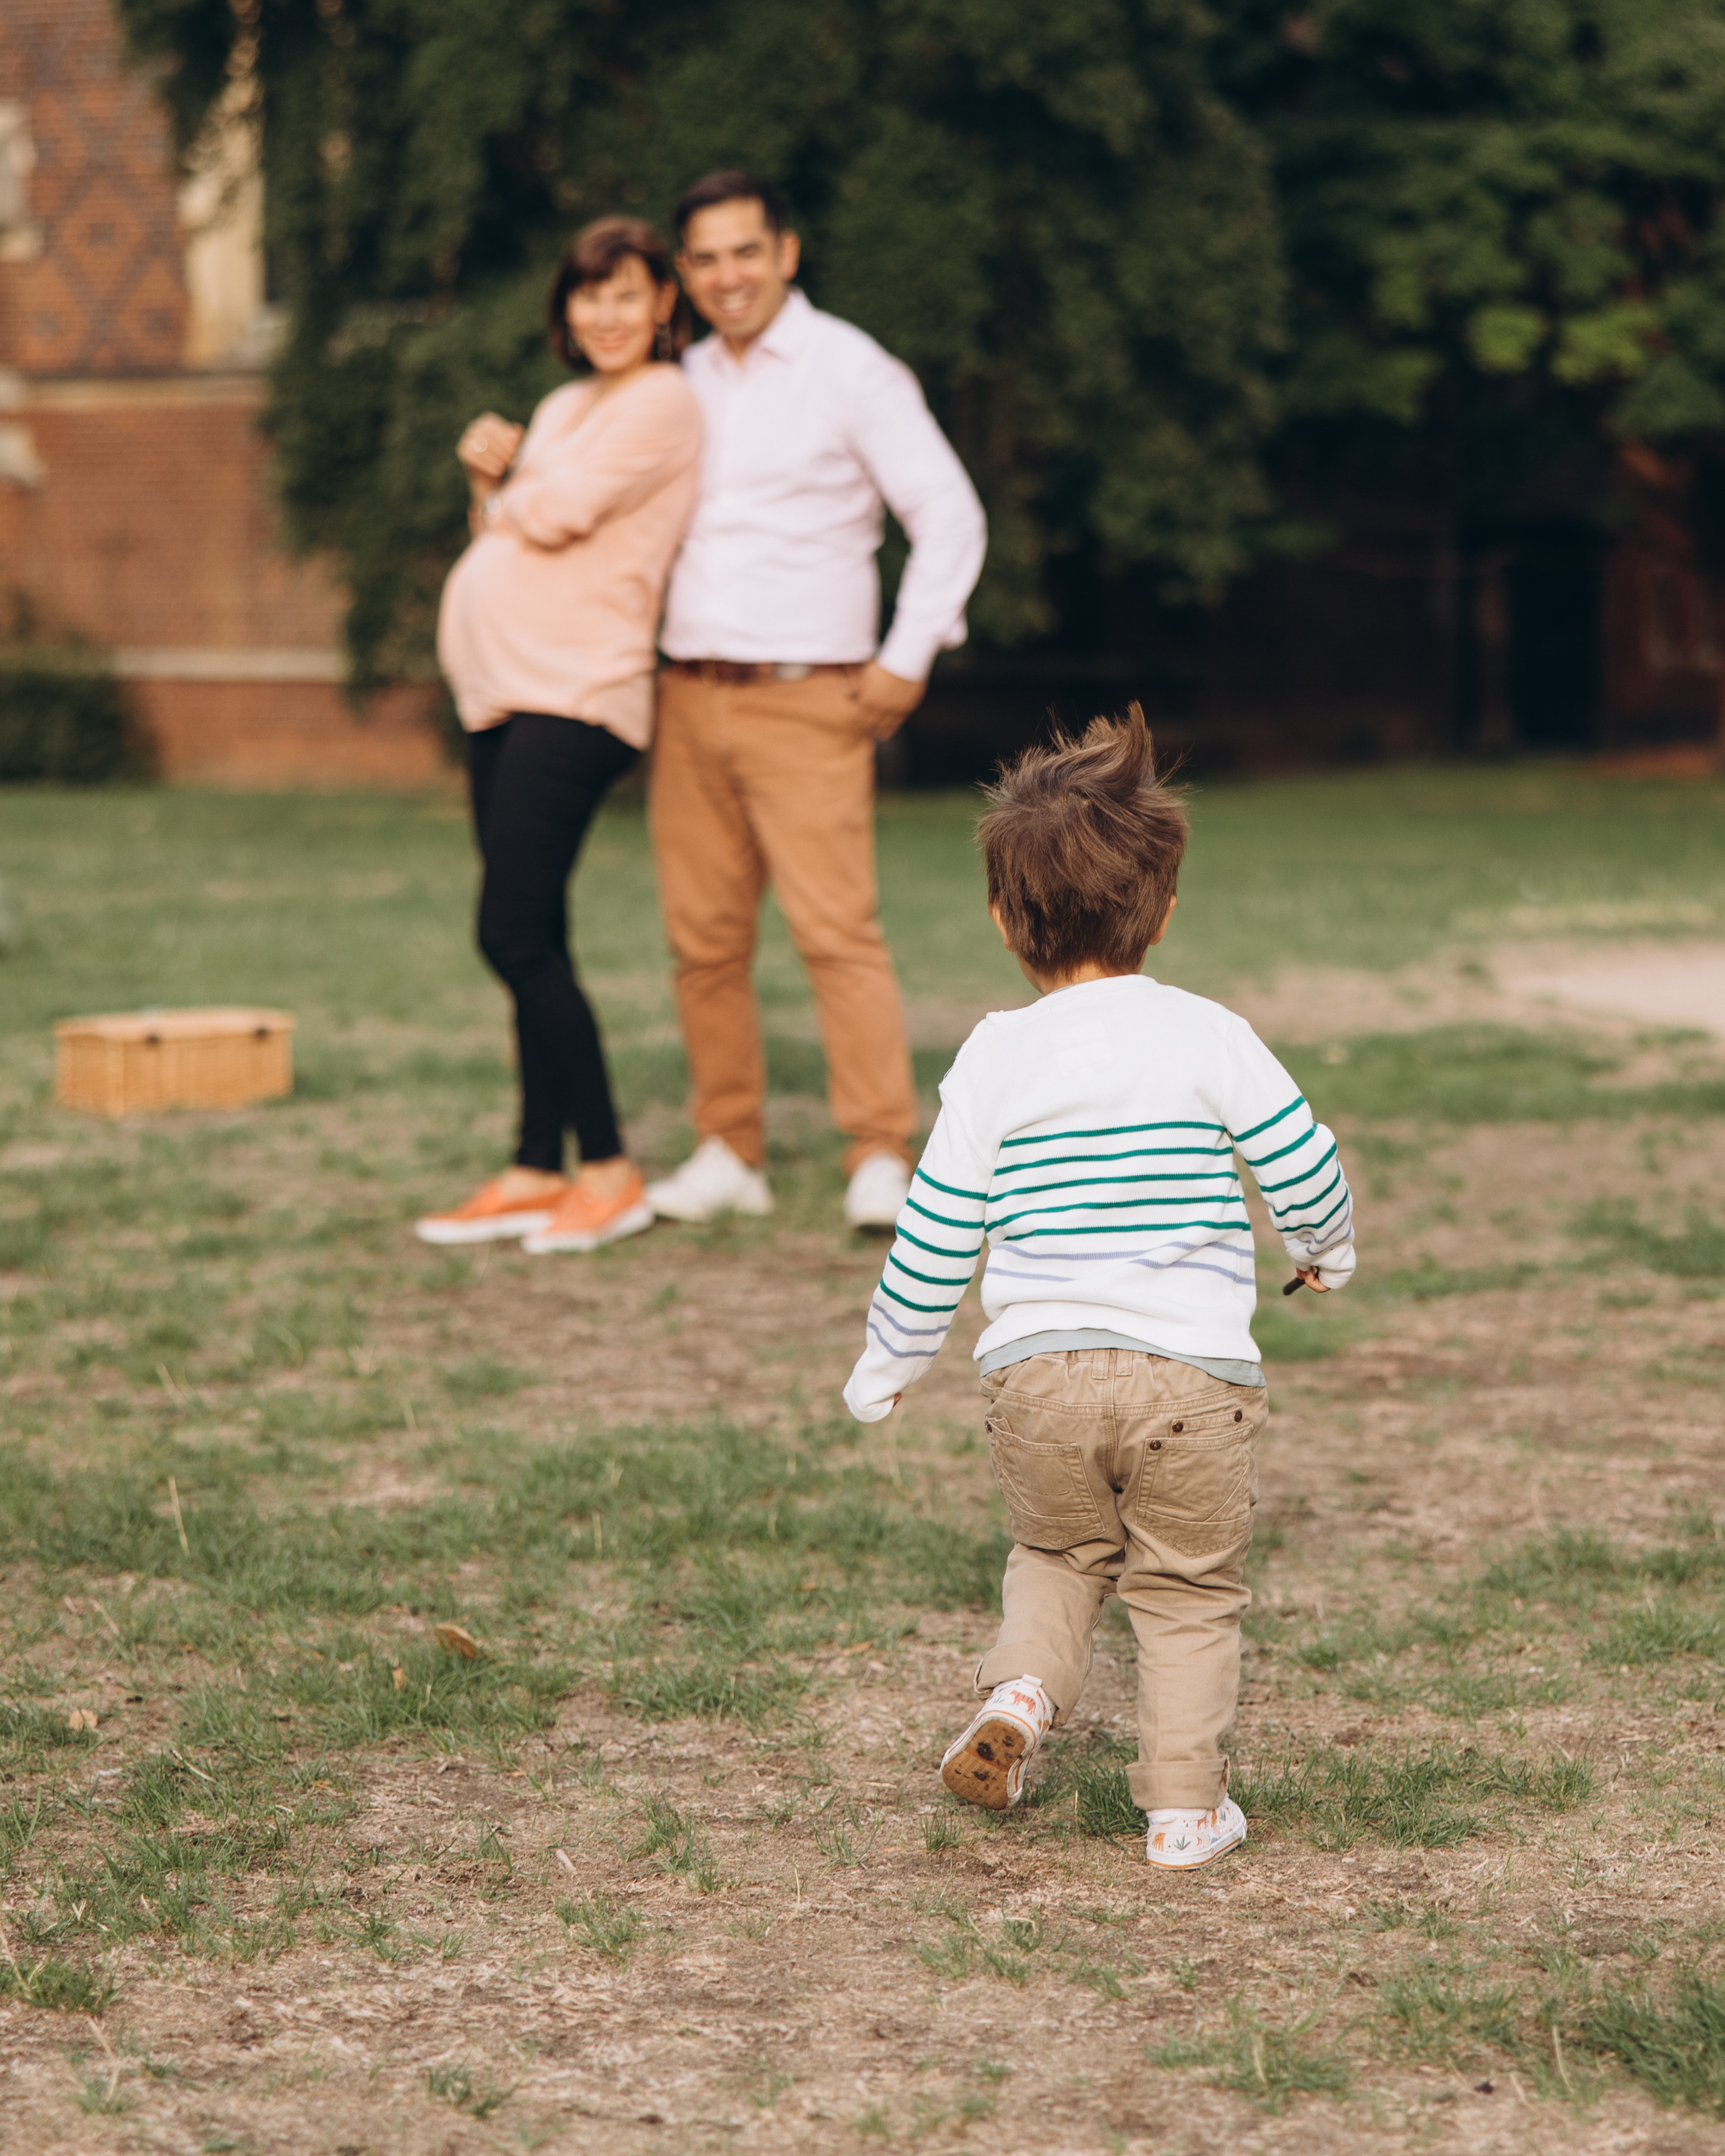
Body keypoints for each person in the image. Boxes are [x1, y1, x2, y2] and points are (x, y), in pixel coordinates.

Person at [841, 708, 1357, 1869]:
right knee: (1186, 1595)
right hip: (1191, 1382)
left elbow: (935, 1228)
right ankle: (1182, 1811)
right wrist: (1325, 1250)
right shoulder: (1209, 1034)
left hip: (1038, 1378)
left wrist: (889, 1362)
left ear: (1000, 918)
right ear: (1163, 911)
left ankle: (1021, 1696)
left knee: (1057, 1556)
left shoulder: (994, 1055)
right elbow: (1303, 1163)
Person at [645, 170, 988, 1233]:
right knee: (703, 942)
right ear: (684, 273)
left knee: (837, 934)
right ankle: (728, 1149)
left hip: (810, 698)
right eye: (705, 260)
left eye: (745, 252)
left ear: (786, 253)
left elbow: (950, 514)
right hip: (687, 694)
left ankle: (879, 1152)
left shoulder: (852, 369)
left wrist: (905, 658)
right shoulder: (675, 381)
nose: (727, 277)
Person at [416, 218, 701, 1255]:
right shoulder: (564, 405)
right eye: (589, 296)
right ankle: (539, 1165)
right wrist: (488, 481)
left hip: (580, 695)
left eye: (627, 294)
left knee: (511, 935)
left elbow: (558, 514)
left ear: (663, 303)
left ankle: (610, 1171)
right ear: (566, 310)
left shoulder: (664, 400)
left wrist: (511, 482)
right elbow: (500, 529)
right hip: (504, 695)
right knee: (537, 929)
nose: (606, 315)